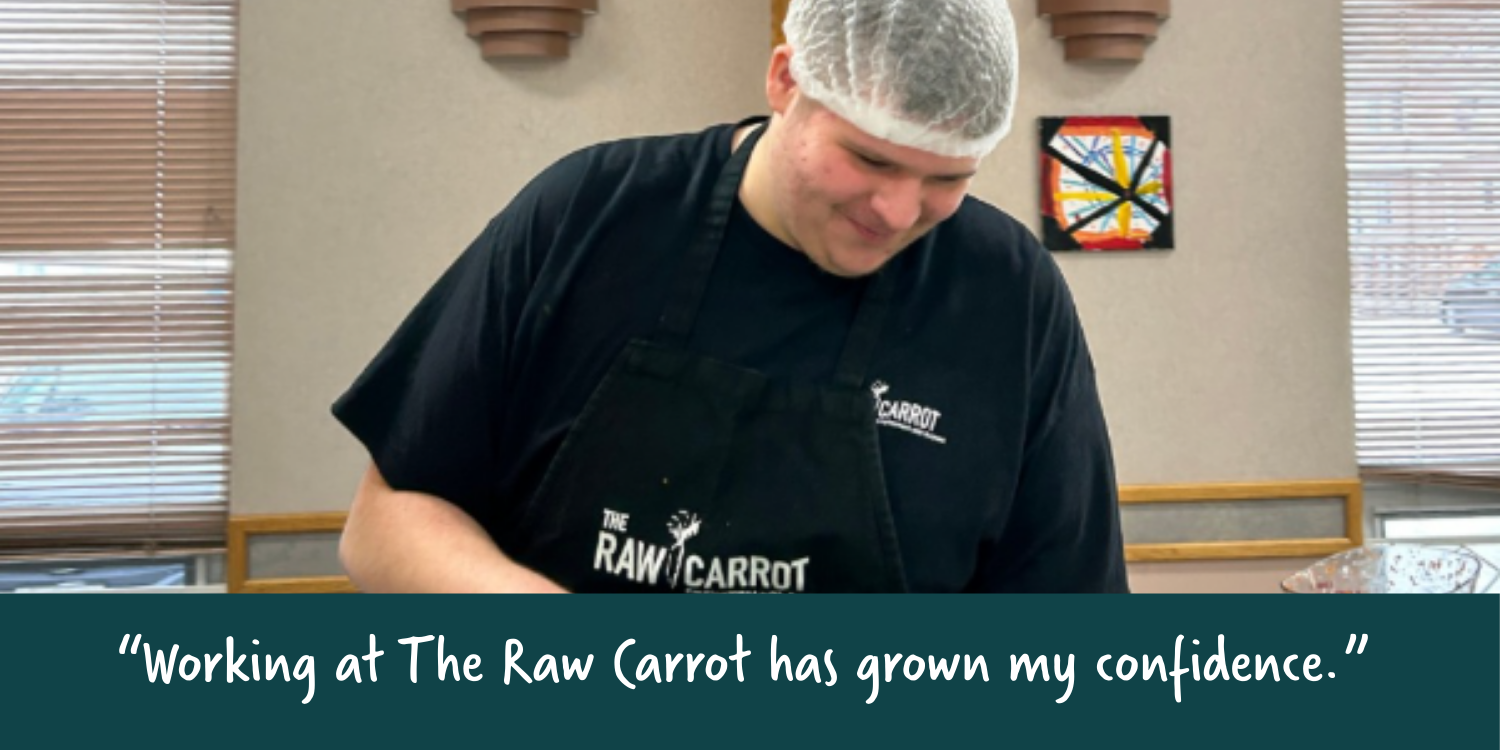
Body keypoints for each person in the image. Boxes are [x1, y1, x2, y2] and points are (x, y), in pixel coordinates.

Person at [332, 0, 1129, 593]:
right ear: (786, 80)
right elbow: (385, 523)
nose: (896, 212)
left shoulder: (1008, 299)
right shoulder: (589, 216)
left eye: (946, 179)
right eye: (869, 161)